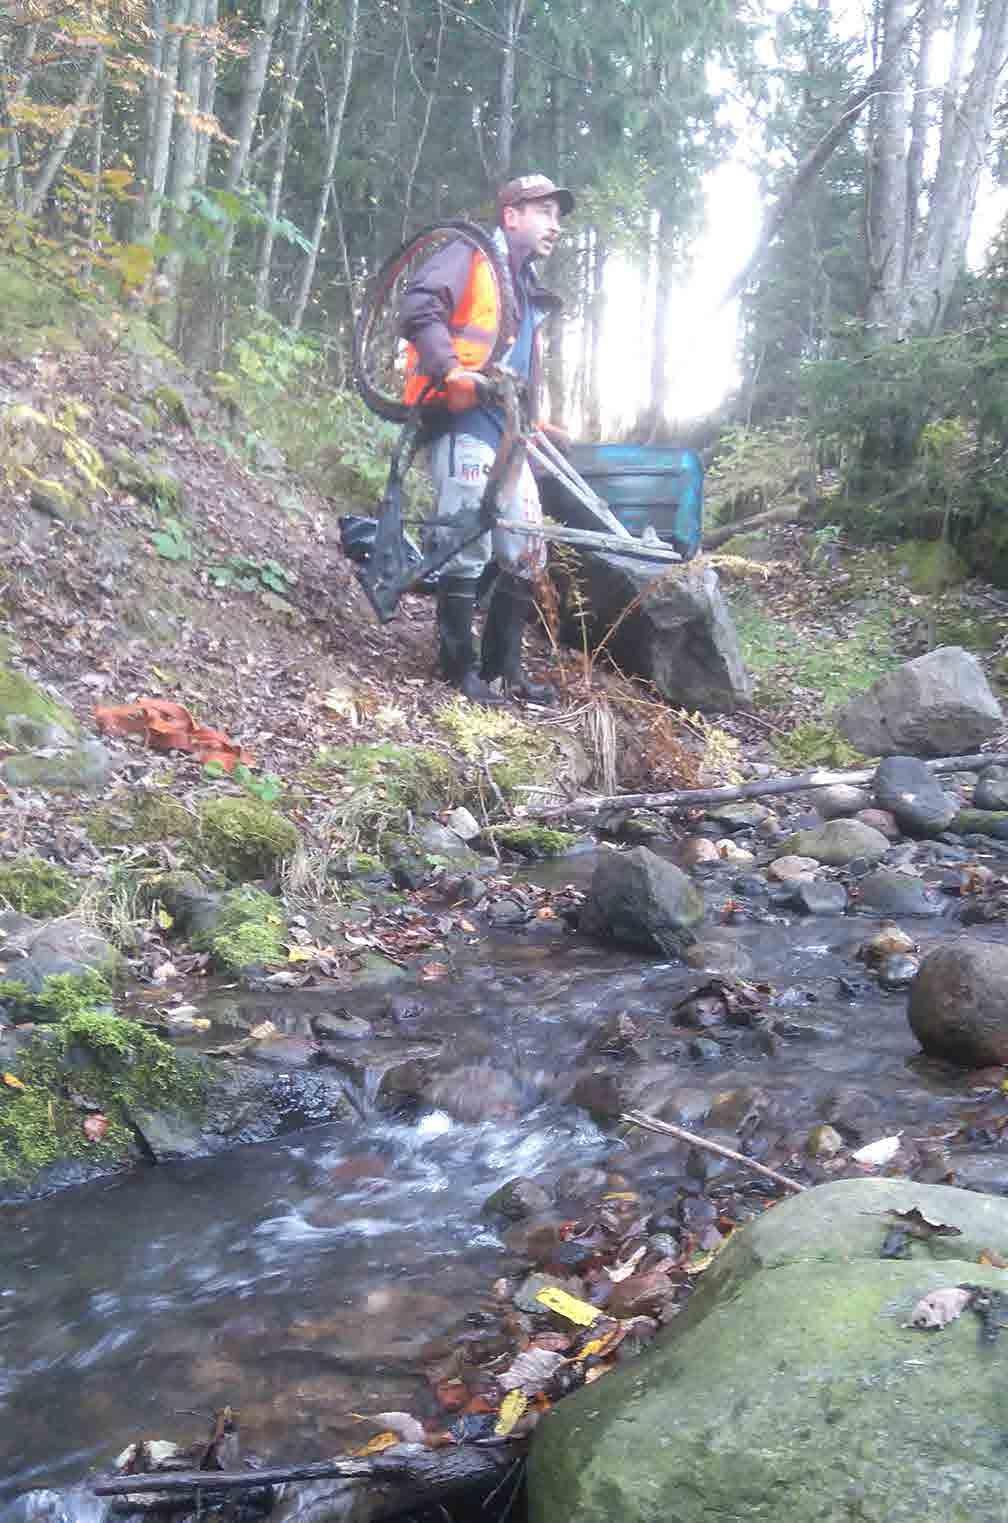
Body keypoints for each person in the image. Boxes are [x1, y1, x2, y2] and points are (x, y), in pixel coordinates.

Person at [399, 174, 575, 705]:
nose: (556, 225)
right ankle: (458, 670)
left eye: (558, 216)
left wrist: (535, 421)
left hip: (509, 433)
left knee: (524, 550)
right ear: (512, 215)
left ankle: (506, 671)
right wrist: (448, 369)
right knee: (466, 541)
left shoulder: (524, 286)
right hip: (464, 422)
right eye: (545, 211)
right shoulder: (470, 255)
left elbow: (515, 366)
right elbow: (418, 306)